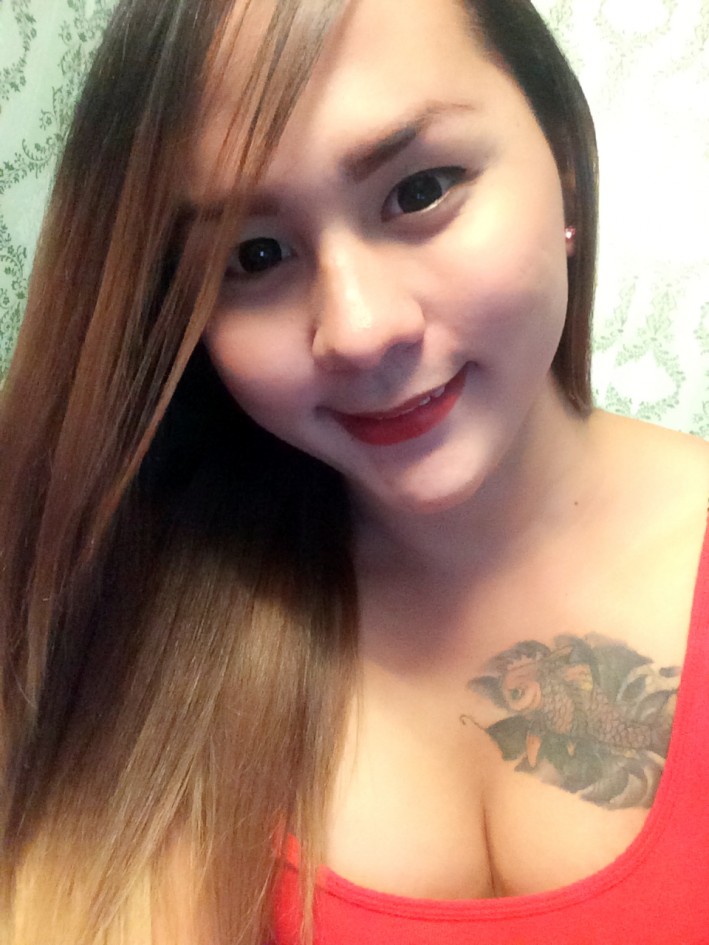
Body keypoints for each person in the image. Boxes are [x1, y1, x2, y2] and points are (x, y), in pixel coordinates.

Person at [1, 0, 708, 943]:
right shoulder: (130, 633)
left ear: (566, 177)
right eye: (254, 255)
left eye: (420, 191)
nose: (360, 329)